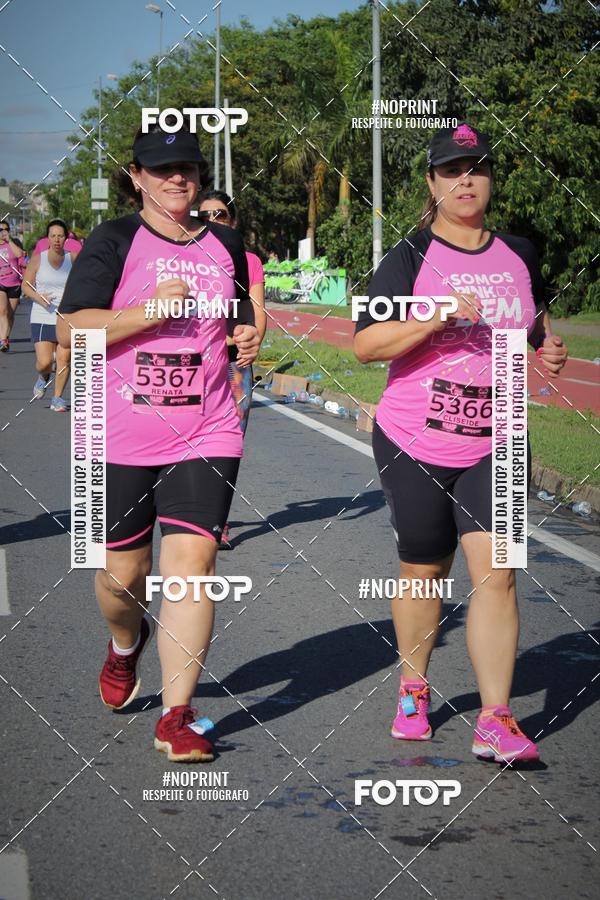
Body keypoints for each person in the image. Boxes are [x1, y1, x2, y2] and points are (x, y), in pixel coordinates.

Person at [353, 123, 568, 764]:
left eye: (476, 168)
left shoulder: (521, 253)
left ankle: (496, 717)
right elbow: (366, 345)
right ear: (432, 183)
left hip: (497, 439)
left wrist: (546, 349)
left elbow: (534, 326)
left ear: (490, 178)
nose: (465, 180)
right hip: (414, 438)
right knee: (425, 570)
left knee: (497, 577)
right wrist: (435, 315)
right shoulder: (410, 257)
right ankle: (415, 688)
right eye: (452, 170)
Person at [58, 121, 260, 762]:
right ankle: (125, 645)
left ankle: (178, 714)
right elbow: (70, 331)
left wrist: (247, 336)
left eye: (189, 169)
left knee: (191, 569)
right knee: (122, 578)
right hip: (112, 433)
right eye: (164, 169)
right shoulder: (113, 240)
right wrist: (146, 311)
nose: (179, 178)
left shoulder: (225, 244)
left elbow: (238, 316)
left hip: (207, 427)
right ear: (137, 177)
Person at [197, 189, 267, 548]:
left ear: (232, 221)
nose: (212, 221)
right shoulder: (183, 256)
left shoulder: (249, 260)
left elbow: (257, 313)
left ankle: (217, 521)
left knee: (228, 445)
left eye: (220, 215)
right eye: (205, 215)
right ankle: (188, 511)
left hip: (234, 365)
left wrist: (252, 338)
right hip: (191, 363)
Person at [22, 219, 77, 410]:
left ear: (66, 237)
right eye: (52, 236)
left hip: (66, 316)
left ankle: (57, 398)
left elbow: (86, 282)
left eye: (60, 236)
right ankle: (43, 375)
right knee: (45, 362)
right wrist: (38, 297)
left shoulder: (74, 259)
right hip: (42, 315)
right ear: (47, 238)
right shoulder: (38, 259)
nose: (56, 239)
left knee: (64, 358)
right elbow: (26, 286)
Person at [0, 219, 25, 352]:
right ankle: (2, 340)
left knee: (10, 314)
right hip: (0, 283)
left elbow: (19, 255)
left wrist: (9, 240)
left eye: (5, 230)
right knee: (2, 311)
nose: (2, 232)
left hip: (14, 284)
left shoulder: (13, 243)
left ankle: (6, 337)